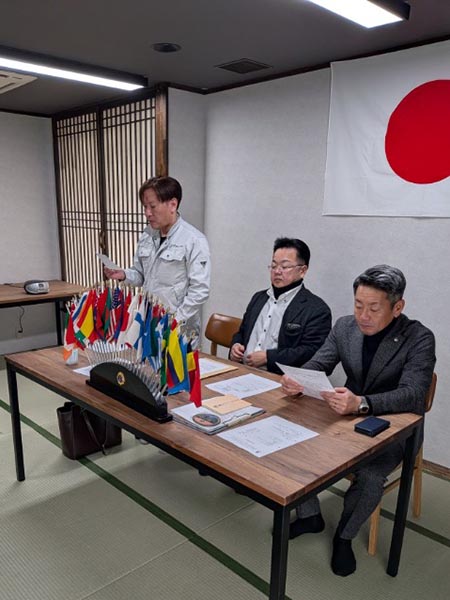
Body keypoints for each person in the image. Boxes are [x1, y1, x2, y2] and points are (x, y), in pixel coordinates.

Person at [281, 264, 436, 577]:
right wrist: (298, 378)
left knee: (370, 476)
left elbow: (413, 395)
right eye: (358, 305)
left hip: (395, 425)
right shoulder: (345, 327)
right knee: (295, 442)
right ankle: (310, 516)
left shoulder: (419, 338)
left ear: (397, 307)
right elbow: (320, 363)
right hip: (346, 416)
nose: (363, 315)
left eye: (374, 308)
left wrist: (363, 403)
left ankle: (344, 536)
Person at [104, 176, 210, 339]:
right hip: (149, 320)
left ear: (172, 204)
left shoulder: (194, 240)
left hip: (179, 328)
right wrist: (123, 275)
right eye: (145, 207)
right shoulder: (147, 235)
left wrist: (175, 320)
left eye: (152, 206)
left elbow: (200, 290)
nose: (147, 213)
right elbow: (141, 275)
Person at [229, 237, 331, 374]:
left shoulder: (316, 309)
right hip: (241, 370)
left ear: (302, 271)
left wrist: (268, 358)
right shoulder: (259, 298)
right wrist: (235, 346)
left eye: (284, 267)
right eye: (274, 266)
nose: (277, 271)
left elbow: (311, 351)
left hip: (278, 377)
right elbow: (242, 332)